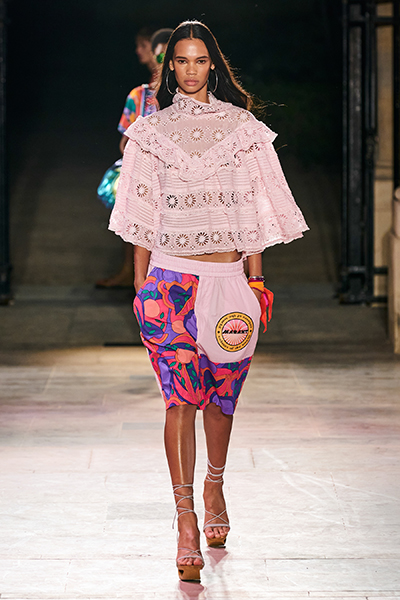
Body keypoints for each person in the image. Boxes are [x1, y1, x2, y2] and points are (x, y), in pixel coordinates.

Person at [109, 21, 308, 581]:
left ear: (212, 66)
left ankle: (214, 485)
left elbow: (254, 210)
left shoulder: (242, 129)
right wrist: (141, 289)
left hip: (230, 283)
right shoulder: (150, 133)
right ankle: (185, 520)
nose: (191, 70)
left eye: (200, 60)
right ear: (169, 66)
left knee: (221, 400)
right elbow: (141, 216)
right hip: (170, 284)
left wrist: (258, 284)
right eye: (181, 61)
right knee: (179, 400)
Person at [96, 28, 173, 289]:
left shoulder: (155, 96)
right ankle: (138, 276)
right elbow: (125, 143)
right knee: (140, 223)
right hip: (150, 174)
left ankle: (143, 277)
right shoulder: (141, 95)